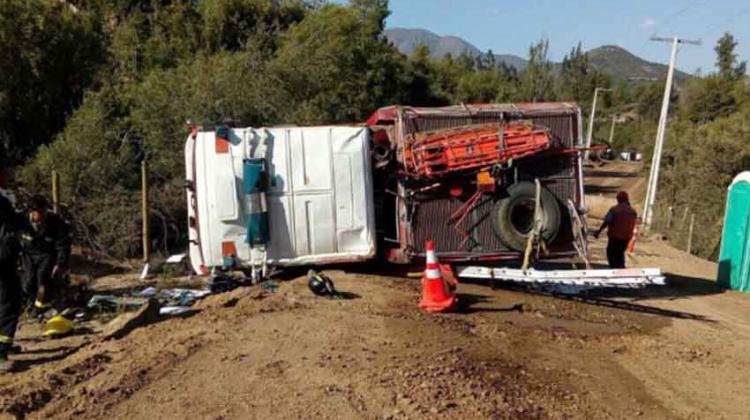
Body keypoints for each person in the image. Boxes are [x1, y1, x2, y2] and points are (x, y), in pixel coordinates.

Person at [20, 195, 71, 317]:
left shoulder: (55, 221)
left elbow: (63, 243)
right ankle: (31, 305)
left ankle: (42, 308)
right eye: (40, 213)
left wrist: (61, 263)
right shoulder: (21, 221)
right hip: (28, 255)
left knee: (42, 280)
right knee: (28, 283)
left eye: (44, 212)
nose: (42, 216)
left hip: (47, 255)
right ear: (31, 212)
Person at [0, 165, 26, 373]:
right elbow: (14, 225)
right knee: (9, 302)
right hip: (2, 261)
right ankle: (1, 352)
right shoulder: (2, 202)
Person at [594, 191, 638, 269]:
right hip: (626, 238)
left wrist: (598, 232)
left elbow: (606, 222)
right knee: (620, 254)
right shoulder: (633, 212)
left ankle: (614, 269)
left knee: (611, 254)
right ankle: (620, 268)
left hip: (614, 237)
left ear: (618, 199)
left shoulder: (614, 210)